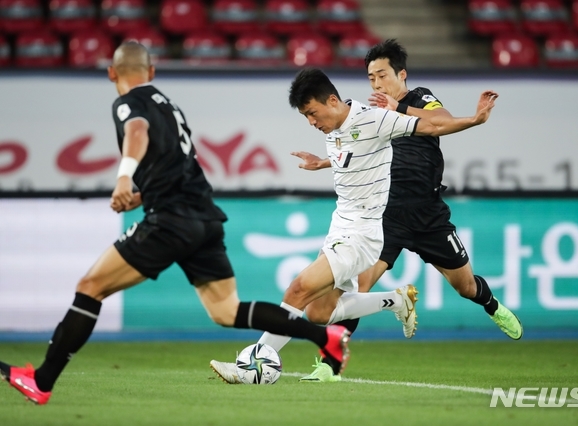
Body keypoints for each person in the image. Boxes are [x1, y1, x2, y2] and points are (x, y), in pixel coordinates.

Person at [0, 42, 352, 405]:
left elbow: (137, 132)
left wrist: (124, 178)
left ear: (111, 74)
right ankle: (324, 337)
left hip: (170, 221)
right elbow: (181, 163)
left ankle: (41, 382)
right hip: (204, 217)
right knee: (226, 311)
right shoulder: (170, 108)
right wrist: (141, 194)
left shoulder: (128, 103)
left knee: (90, 287)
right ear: (151, 72)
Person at [209, 66, 498, 384]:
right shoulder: (333, 128)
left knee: (297, 289)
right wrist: (320, 162)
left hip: (362, 235)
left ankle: (253, 364)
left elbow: (431, 126)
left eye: (313, 113)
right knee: (320, 313)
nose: (312, 122)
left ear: (332, 100)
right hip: (339, 228)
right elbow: (351, 155)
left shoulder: (374, 119)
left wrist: (474, 119)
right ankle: (396, 300)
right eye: (306, 116)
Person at [292, 39, 523, 382]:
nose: (376, 84)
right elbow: (356, 151)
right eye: (371, 78)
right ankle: (330, 364)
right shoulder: (372, 114)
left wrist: (400, 109)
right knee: (357, 288)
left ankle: (492, 306)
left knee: (465, 287)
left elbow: (440, 120)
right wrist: (324, 162)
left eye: (382, 75)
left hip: (429, 214)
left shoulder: (418, 99)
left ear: (402, 74)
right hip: (387, 216)